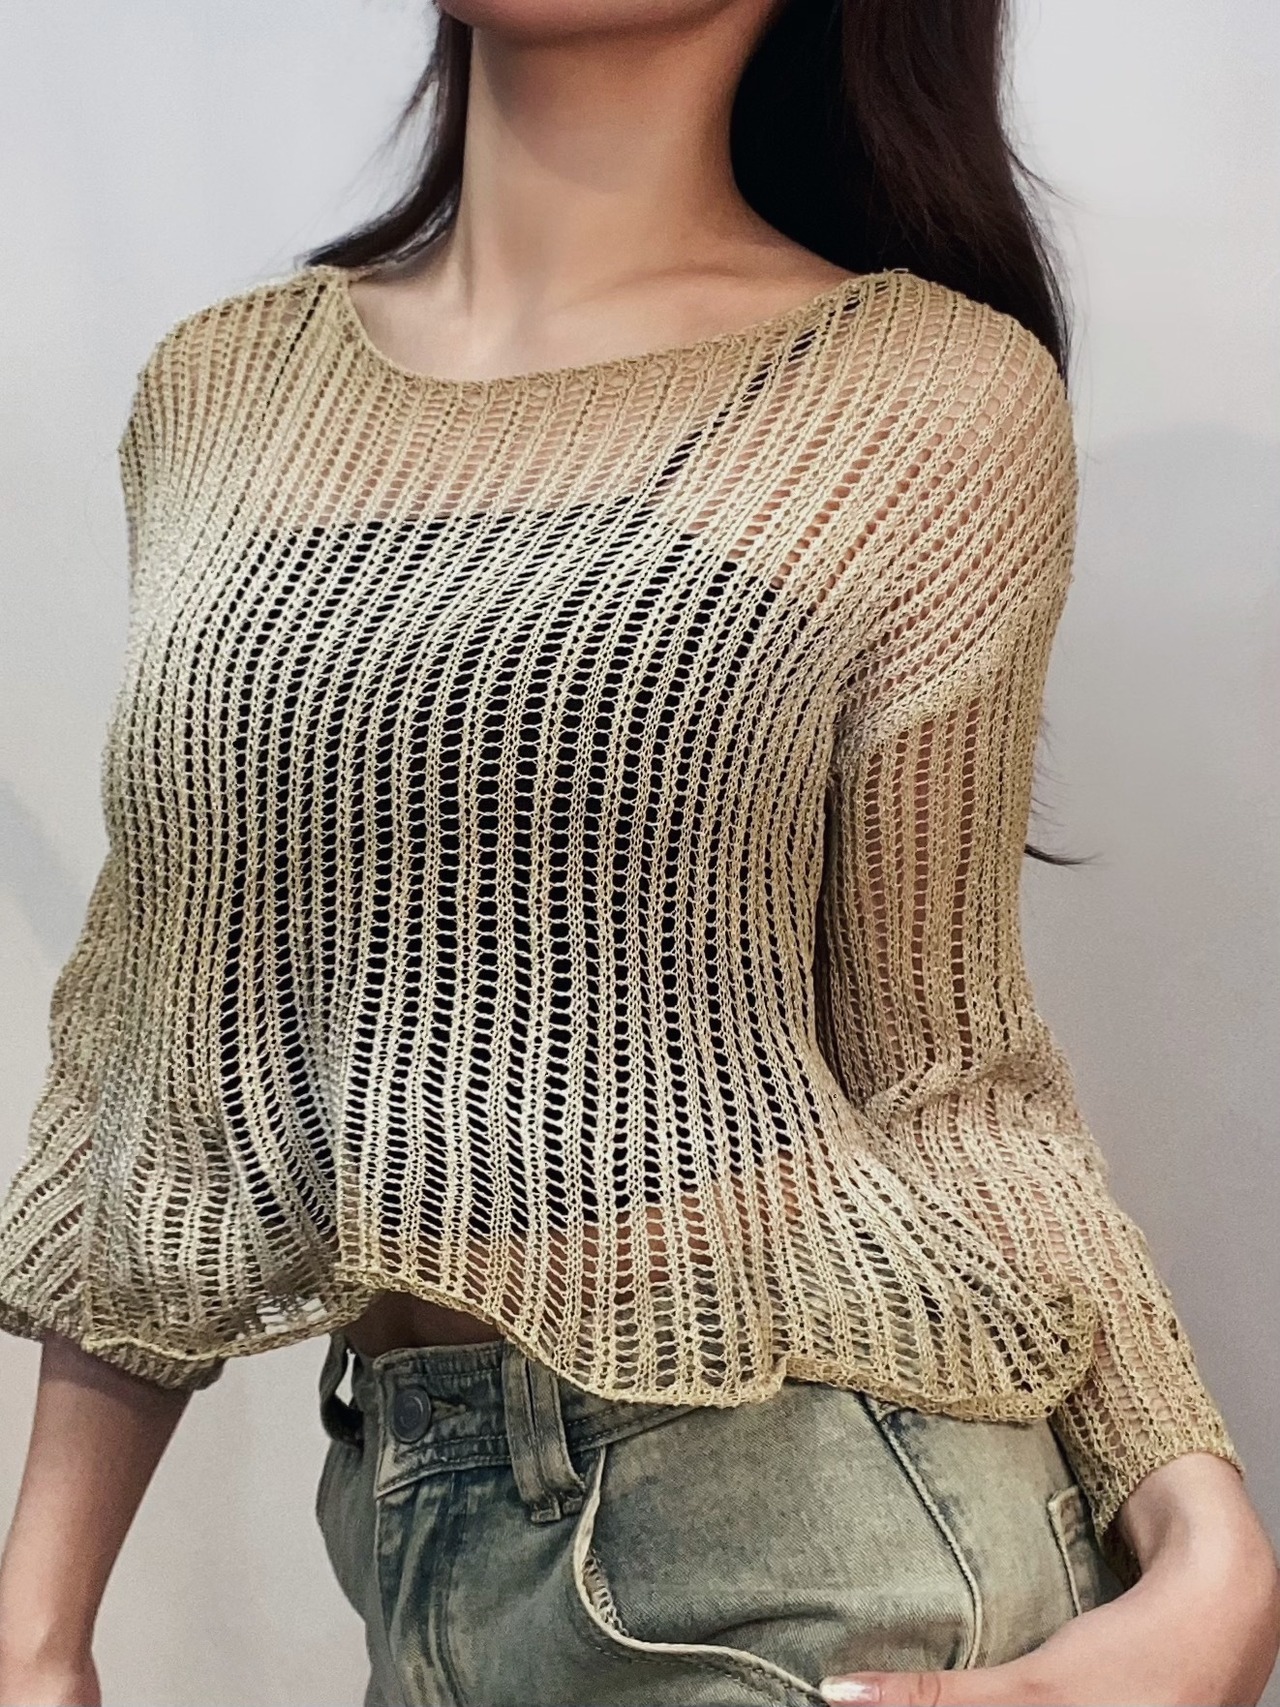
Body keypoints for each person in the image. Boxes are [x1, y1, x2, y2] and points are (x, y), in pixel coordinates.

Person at [0, 0, 1277, 1701]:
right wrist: (38, 1623)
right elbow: (151, 1048)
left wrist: (1211, 1550)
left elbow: (950, 1078)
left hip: (800, 1541)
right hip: (412, 1543)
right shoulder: (222, 389)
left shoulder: (927, 395)